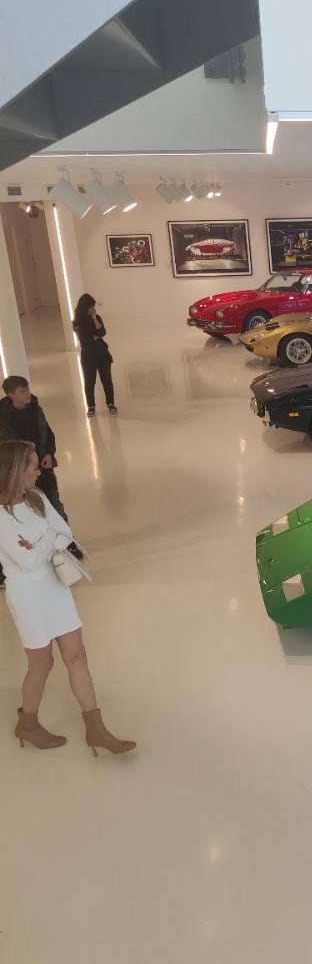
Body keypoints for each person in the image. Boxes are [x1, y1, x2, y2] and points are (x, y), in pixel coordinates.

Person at [0, 440, 134, 755]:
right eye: (33, 466)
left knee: (77, 656)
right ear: (16, 471)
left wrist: (39, 542)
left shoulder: (37, 497)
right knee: (42, 663)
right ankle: (28, 723)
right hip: (27, 596)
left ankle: (96, 729)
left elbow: (67, 534)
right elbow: (28, 560)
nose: (39, 471)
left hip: (55, 586)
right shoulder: (1, 515)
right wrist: (48, 537)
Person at [0, 375, 83, 559]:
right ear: (11, 394)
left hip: (43, 470)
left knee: (54, 505)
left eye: (27, 389)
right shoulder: (3, 419)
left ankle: (68, 544)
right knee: (25, 511)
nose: (27, 393)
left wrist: (48, 454)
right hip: (20, 474)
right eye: (22, 391)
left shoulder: (36, 410)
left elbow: (49, 435)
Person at [73, 293, 116, 417]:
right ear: (85, 307)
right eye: (91, 306)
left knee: (107, 380)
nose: (93, 309)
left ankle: (111, 403)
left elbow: (102, 332)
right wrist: (95, 336)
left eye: (94, 306)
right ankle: (91, 406)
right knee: (90, 381)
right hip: (88, 355)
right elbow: (84, 338)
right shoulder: (77, 322)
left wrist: (95, 320)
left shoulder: (97, 318)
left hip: (102, 353)